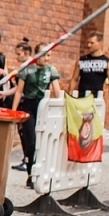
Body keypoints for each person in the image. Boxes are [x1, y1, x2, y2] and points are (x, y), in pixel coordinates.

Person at [13, 42, 64, 173]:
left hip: (44, 106)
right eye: (45, 55)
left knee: (44, 141)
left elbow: (57, 91)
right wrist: (13, 112)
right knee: (31, 141)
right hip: (29, 106)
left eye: (49, 55)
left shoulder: (51, 70)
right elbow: (19, 91)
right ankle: (30, 171)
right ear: (37, 55)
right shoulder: (27, 69)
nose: (47, 58)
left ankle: (42, 170)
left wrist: (62, 107)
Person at [74, 32, 109, 101]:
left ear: (100, 43)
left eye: (92, 43)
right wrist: (70, 95)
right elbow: (74, 79)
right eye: (88, 42)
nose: (89, 45)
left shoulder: (108, 62)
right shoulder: (82, 60)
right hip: (81, 97)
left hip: (97, 98)